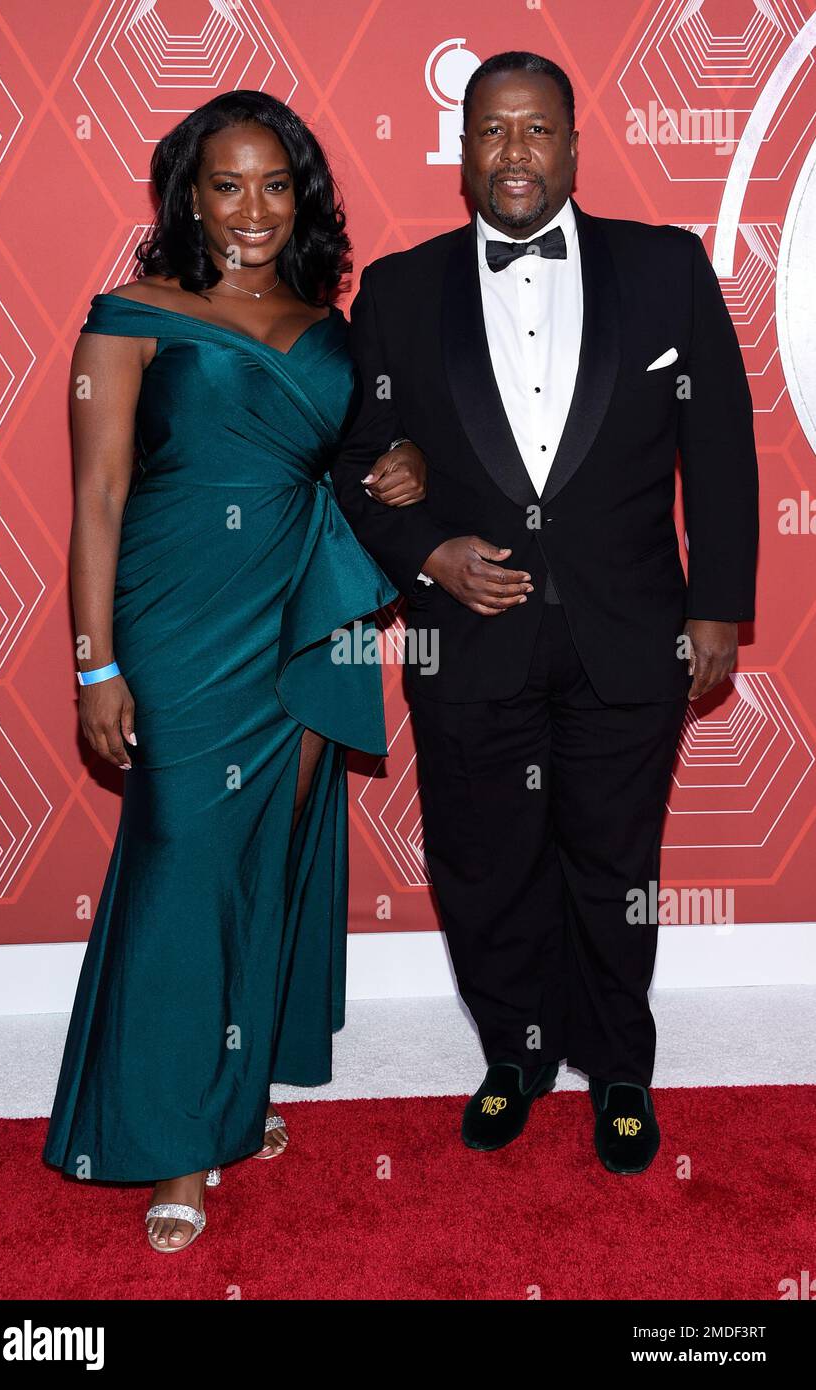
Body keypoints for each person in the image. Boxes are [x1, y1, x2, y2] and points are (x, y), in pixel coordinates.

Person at [332, 51, 758, 1174]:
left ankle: (618, 1065)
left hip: (630, 630)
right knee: (483, 860)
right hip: (469, 636)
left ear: (572, 145)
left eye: (534, 131)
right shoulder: (398, 288)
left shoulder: (665, 268)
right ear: (459, 154)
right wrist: (428, 547)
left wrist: (716, 606)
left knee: (613, 863)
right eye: (489, 133)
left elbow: (716, 448)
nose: (511, 153)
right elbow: (356, 463)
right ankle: (515, 1056)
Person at [42, 90, 425, 1250]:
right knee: (181, 862)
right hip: (172, 613)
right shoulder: (129, 315)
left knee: (268, 861)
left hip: (293, 610)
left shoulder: (329, 320)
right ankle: (172, 1145)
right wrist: (94, 661)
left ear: (298, 194)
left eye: (274, 184)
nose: (252, 208)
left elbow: (351, 460)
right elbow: (98, 497)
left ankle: (231, 1086)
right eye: (226, 184)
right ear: (188, 196)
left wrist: (394, 467)